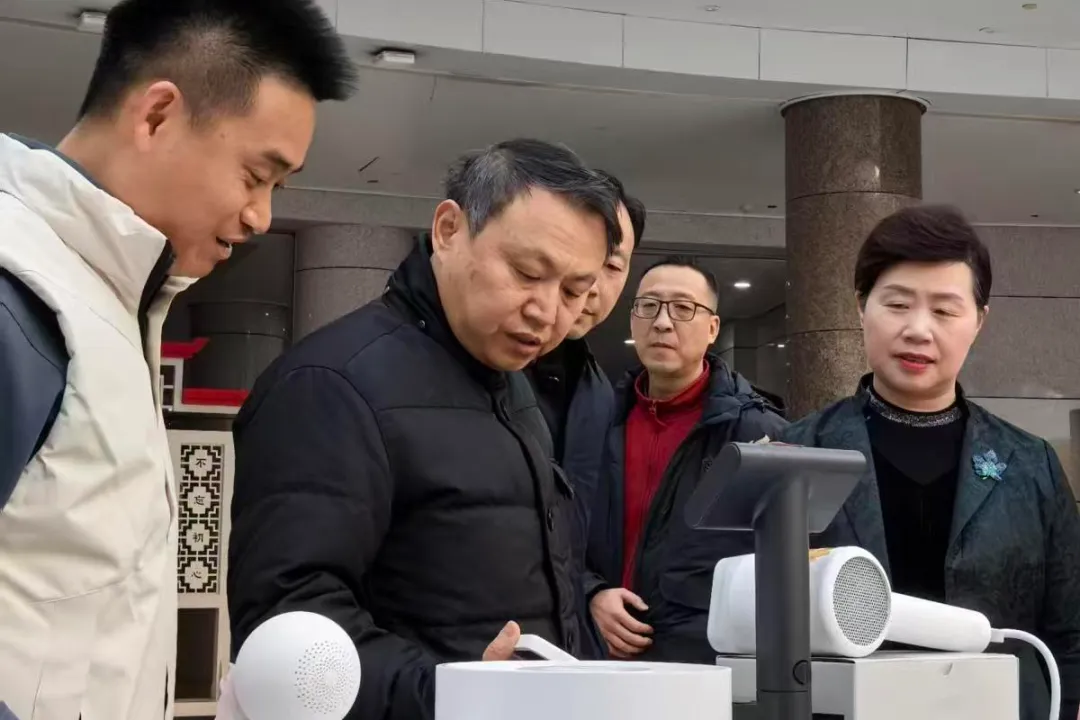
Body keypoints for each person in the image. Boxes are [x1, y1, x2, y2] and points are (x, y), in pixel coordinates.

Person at [0, 0, 354, 717]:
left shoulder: (117, 305)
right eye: (255, 175)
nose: (261, 217)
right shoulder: (21, 295)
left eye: (277, 189)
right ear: (157, 115)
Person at [227, 138, 623, 720]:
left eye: (572, 291)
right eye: (526, 273)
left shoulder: (512, 385)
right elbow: (287, 620)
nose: (547, 312)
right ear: (448, 230)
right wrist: (449, 694)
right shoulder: (330, 385)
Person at [779, 206, 1080, 720]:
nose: (918, 330)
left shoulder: (1030, 465)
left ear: (978, 321)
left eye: (944, 310)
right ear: (861, 306)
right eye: (898, 304)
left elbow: (1069, 628)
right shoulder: (796, 455)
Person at [585, 256, 787, 662]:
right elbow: (559, 534)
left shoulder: (758, 434)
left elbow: (785, 562)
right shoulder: (593, 420)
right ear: (632, 320)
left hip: (703, 662)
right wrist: (588, 591)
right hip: (598, 655)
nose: (662, 322)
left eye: (683, 308)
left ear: (712, 328)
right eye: (649, 306)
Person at [525, 171, 645, 659]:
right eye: (577, 257)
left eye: (612, 265)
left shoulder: (598, 391)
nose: (590, 284)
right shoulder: (479, 370)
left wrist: (590, 589)